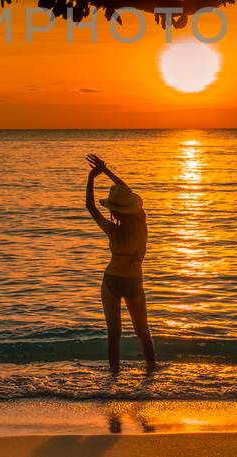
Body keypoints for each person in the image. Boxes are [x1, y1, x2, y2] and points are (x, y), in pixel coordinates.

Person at [84, 153, 157, 373]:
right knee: (143, 332)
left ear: (113, 210)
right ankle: (151, 373)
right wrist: (106, 171)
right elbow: (128, 192)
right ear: (132, 206)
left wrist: (92, 177)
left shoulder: (113, 231)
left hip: (111, 281)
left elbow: (91, 207)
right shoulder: (141, 224)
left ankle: (114, 377)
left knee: (113, 334)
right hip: (134, 281)